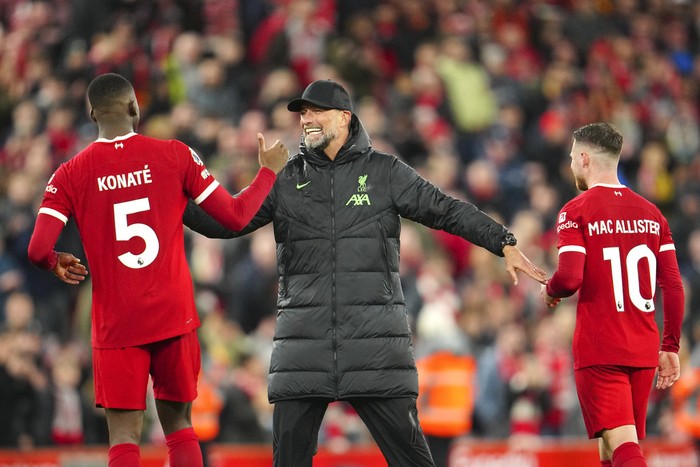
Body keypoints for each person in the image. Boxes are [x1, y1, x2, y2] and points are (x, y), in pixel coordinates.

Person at [183, 78, 548, 467]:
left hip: (374, 347)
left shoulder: (385, 172)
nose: (306, 119)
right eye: (302, 113)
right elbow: (227, 223)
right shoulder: (285, 178)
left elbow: (446, 209)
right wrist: (171, 195)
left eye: (315, 111)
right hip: (303, 346)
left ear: (344, 117)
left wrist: (503, 241)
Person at [26, 73, 288, 467]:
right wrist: (267, 171)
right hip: (173, 315)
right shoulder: (174, 154)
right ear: (135, 107)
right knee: (180, 427)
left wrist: (53, 261)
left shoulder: (69, 174)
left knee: (124, 439)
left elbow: (37, 249)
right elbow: (235, 217)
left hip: (116, 324)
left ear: (92, 113)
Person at [541, 122, 685, 467]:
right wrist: (671, 346)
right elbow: (674, 286)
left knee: (623, 447)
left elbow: (571, 276)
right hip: (642, 346)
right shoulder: (653, 214)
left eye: (573, 157)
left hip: (601, 347)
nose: (571, 163)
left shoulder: (575, 210)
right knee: (612, 448)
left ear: (585, 159)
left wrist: (551, 289)